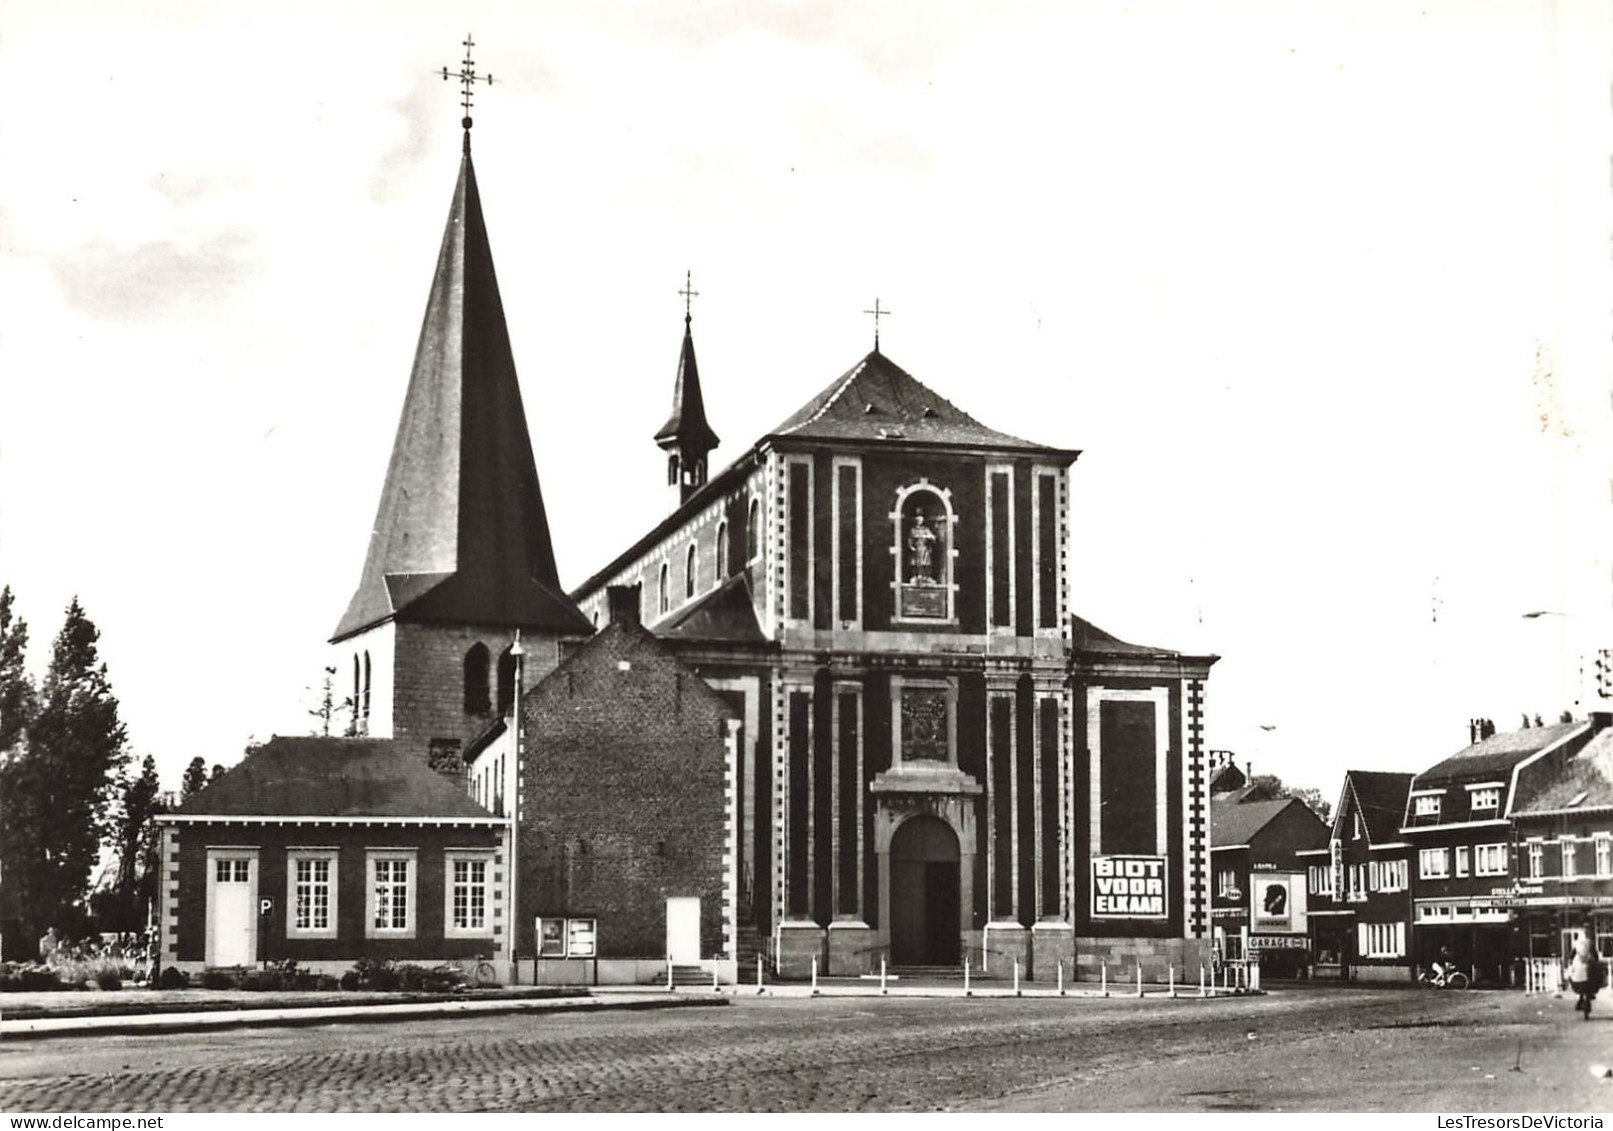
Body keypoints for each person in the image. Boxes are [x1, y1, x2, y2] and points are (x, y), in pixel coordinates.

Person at [1568, 928, 1604, 1019]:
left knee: (1573, 977)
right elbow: (1595, 956)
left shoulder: (1576, 945)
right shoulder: (1590, 944)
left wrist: (1571, 965)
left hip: (1577, 978)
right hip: (1588, 974)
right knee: (1595, 977)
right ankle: (1589, 997)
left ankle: (1580, 998)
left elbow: (1571, 956)